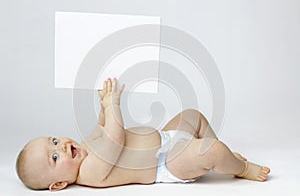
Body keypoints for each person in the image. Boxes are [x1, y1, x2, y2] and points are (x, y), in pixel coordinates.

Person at [16, 78, 270, 191]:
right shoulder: (88, 172)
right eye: (54, 158)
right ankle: (239, 167)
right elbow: (115, 139)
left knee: (192, 116)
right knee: (211, 151)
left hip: (166, 138)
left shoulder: (84, 145)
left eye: (55, 141)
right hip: (167, 163)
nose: (61, 147)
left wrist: (103, 106)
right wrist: (113, 104)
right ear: (59, 184)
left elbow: (104, 127)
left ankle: (220, 155)